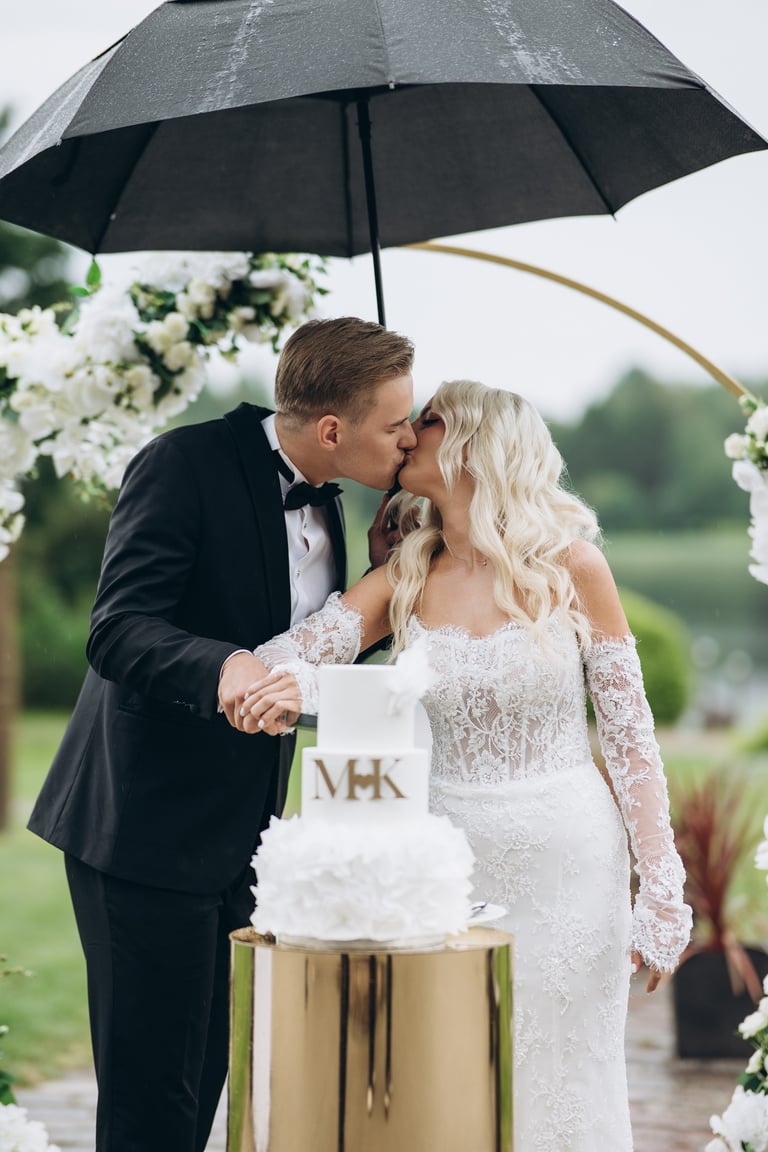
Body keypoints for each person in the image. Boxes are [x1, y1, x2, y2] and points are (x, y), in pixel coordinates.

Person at [241, 379, 692, 1151]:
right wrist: (281, 685)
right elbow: (292, 657)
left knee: (564, 1080)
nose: (407, 432)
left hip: (570, 868)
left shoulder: (574, 567)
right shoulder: (407, 575)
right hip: (448, 863)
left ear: (477, 443)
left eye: (428, 419)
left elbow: (630, 738)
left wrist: (662, 886)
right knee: (446, 1078)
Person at [27, 316, 417, 1152]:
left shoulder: (335, 499)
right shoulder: (183, 464)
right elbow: (118, 629)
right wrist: (224, 666)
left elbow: (301, 653)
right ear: (332, 430)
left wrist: (379, 580)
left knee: (204, 1084)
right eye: (397, 425)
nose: (410, 438)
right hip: (143, 831)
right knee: (150, 1107)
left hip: (245, 837)